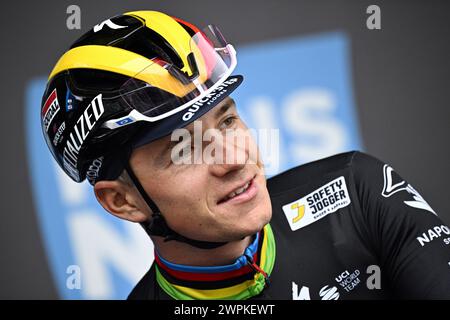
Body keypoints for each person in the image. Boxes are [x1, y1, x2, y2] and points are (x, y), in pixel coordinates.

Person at [41, 10, 450, 300]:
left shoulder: (357, 192)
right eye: (183, 148)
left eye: (226, 121)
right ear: (122, 200)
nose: (234, 158)